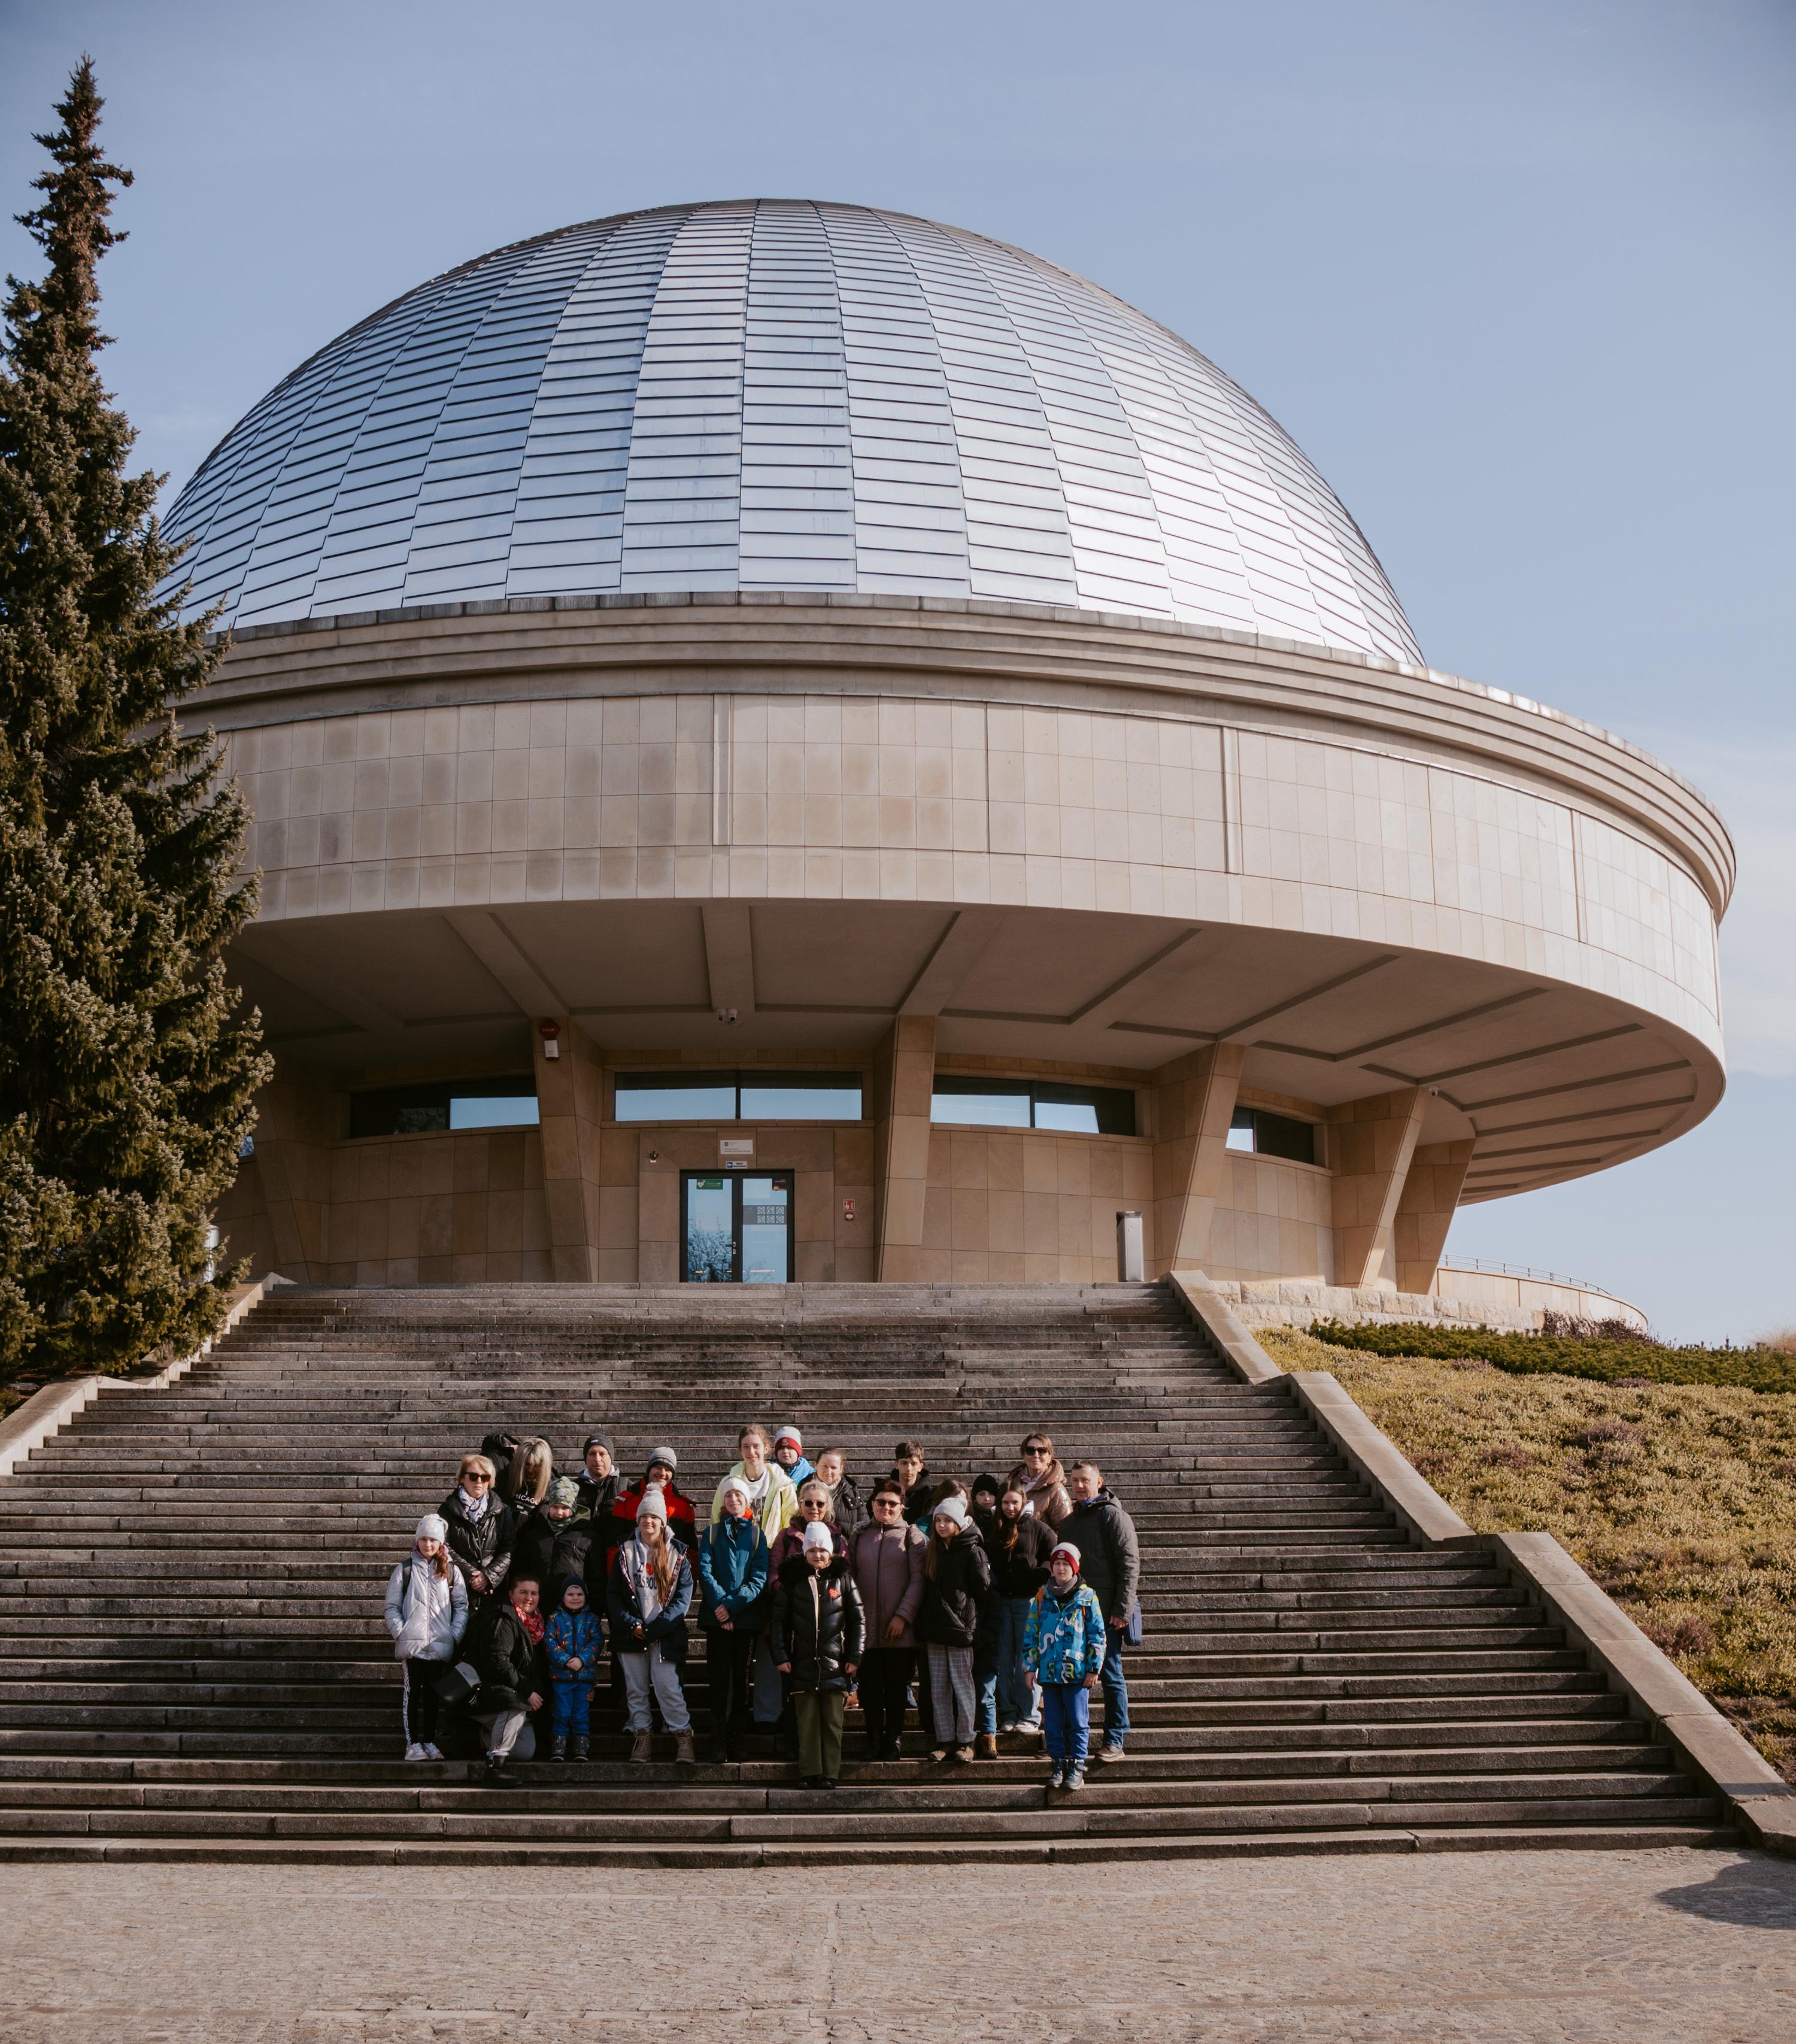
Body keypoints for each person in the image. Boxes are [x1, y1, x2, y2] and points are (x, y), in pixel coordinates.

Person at [606, 1487, 696, 1764]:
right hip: (631, 1632)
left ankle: (683, 1739)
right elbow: (613, 1594)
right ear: (637, 1520)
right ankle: (643, 1738)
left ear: (662, 1522)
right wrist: (631, 1623)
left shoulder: (677, 1555)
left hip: (664, 1635)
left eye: (654, 1517)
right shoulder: (625, 1550)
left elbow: (682, 1600)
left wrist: (656, 1628)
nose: (648, 1521)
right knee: (635, 1690)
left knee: (667, 1687)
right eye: (644, 1516)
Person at [773, 1520, 865, 1790]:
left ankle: (830, 1773)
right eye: (812, 1550)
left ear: (831, 1552)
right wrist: (781, 1655)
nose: (818, 1555)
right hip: (801, 1663)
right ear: (804, 1552)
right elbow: (779, 1622)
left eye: (822, 1550)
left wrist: (855, 1656)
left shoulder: (843, 1580)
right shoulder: (792, 1581)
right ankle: (809, 1771)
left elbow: (858, 1621)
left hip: (835, 1663)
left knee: (833, 1723)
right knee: (807, 1722)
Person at [1061, 1460, 1140, 1763]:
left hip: (1106, 1613)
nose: (1079, 1486)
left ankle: (1115, 1739)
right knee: (1072, 1675)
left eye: (1085, 1480)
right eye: (1075, 1481)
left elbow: (1129, 1565)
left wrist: (1123, 1608)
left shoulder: (1113, 1516)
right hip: (1074, 1612)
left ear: (1099, 1482)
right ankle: (1072, 1738)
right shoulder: (1069, 1523)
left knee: (1110, 1675)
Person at [848, 1478, 924, 1761]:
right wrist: (856, 1618)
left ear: (902, 1507)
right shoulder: (860, 1534)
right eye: (881, 1502)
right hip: (866, 1629)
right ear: (872, 1504)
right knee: (869, 1689)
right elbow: (851, 1577)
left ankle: (894, 1738)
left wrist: (903, 1616)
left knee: (895, 1689)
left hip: (899, 1630)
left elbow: (918, 1581)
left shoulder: (911, 1536)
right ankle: (874, 1738)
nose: (887, 1508)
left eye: (893, 1503)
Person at [697, 1475, 771, 1762]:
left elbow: (759, 1576)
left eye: (739, 1496)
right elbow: (705, 1571)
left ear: (747, 1501)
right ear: (723, 1502)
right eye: (729, 1496)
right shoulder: (711, 1533)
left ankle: (738, 1737)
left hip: (744, 1619)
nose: (734, 1500)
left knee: (742, 1681)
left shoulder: (756, 1535)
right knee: (718, 1680)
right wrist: (721, 1606)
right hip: (718, 1619)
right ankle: (717, 1739)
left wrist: (732, 1607)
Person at [383, 1512, 468, 1760]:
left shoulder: (452, 1571)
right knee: (413, 1694)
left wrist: (454, 1635)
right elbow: (392, 1606)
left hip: (441, 1645)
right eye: (423, 1539)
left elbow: (461, 1605)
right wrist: (401, 1632)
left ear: (441, 1543)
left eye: (433, 1540)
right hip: (413, 1645)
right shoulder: (405, 1569)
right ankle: (413, 1744)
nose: (428, 1545)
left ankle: (429, 1741)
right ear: (417, 1540)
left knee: (433, 1696)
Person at [1023, 1540, 1106, 1791]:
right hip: (1049, 1672)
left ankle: (1078, 1765)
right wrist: (1030, 1666)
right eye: (1056, 1564)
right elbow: (1031, 1632)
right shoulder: (1042, 1596)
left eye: (1065, 1564)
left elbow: (1097, 1634)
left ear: (1074, 1567)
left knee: (1079, 1721)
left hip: (1077, 1673)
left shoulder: (1087, 1597)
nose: (1060, 1569)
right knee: (1053, 1723)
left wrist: (1094, 1667)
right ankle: (1058, 1764)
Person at [915, 1496, 990, 1764]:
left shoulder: (973, 1551)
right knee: (938, 1688)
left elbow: (984, 1594)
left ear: (959, 1522)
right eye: (938, 1520)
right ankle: (945, 1740)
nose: (942, 1525)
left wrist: (974, 1628)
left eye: (947, 1520)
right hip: (936, 1630)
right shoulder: (933, 1550)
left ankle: (966, 1741)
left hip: (961, 1632)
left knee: (962, 1687)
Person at [984, 1479, 1054, 1737]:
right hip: (1001, 1601)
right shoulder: (994, 1529)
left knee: (1027, 1658)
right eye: (1006, 1502)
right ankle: (1009, 1713)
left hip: (1028, 1602)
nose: (1011, 1507)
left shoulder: (1038, 1528)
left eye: (1015, 1502)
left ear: (1023, 1501)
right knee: (1004, 1658)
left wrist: (1038, 1576)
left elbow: (1052, 1556)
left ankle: (1030, 1714)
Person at [463, 1573, 548, 1781]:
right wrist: (528, 1691)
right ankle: (495, 1767)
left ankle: (475, 1737)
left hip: (509, 1694)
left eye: (534, 1593)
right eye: (523, 1592)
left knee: (524, 1750)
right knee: (516, 1706)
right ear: (511, 1595)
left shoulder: (535, 1624)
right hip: (486, 1694)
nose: (529, 1598)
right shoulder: (504, 1620)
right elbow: (498, 1663)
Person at [609, 1445, 699, 1576]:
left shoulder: (684, 1508)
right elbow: (613, 1548)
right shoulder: (626, 1502)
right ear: (649, 1469)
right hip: (633, 1578)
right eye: (658, 1467)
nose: (662, 1473)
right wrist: (616, 1583)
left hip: (670, 1580)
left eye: (668, 1469)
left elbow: (692, 1553)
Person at [439, 1453, 515, 1600]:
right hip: (458, 1588)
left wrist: (488, 1576)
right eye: (473, 1476)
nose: (479, 1481)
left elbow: (509, 1547)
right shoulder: (447, 1509)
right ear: (462, 1478)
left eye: (485, 1477)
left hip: (493, 1590)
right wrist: (471, 1576)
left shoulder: (502, 1511)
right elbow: (443, 1544)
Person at [543, 1574, 602, 1762]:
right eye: (571, 1594)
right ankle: (559, 1747)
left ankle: (581, 1748)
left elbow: (597, 1642)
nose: (575, 1598)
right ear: (563, 1597)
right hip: (562, 1677)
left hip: (584, 1678)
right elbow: (550, 1642)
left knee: (581, 1713)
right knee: (561, 1712)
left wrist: (582, 1660)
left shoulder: (592, 1619)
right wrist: (566, 1659)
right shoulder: (555, 1617)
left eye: (579, 1594)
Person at [711, 1424, 798, 1543]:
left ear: (766, 1449)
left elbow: (791, 1524)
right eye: (746, 1447)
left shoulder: (783, 1484)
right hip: (735, 1551)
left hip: (770, 1553)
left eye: (756, 1446)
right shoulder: (728, 1483)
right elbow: (716, 1520)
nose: (751, 1452)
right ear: (740, 1450)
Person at [514, 1475, 590, 1602]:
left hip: (574, 1610)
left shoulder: (586, 1537)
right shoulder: (534, 1535)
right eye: (555, 1507)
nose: (559, 1513)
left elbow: (596, 1580)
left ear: (574, 1508)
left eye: (565, 1508)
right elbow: (522, 1572)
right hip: (539, 1606)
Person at [1008, 1433, 1072, 1530]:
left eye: (1042, 1451)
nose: (1036, 1455)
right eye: (1030, 1450)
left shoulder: (1056, 1490)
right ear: (1023, 1455)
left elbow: (1065, 1530)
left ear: (1050, 1457)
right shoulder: (1012, 1484)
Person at [573, 1431, 619, 1525]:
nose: (597, 1459)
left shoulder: (626, 1487)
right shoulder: (572, 1488)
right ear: (585, 1459)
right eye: (592, 1454)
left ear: (611, 1458)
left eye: (602, 1454)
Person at [814, 1449, 860, 1536]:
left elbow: (863, 1522)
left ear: (841, 1469)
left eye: (834, 1468)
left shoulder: (851, 1490)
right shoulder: (804, 1489)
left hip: (844, 1546)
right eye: (824, 1466)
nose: (829, 1472)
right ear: (816, 1465)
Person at [770, 1423, 814, 1488]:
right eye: (781, 1448)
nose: (785, 1451)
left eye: (790, 1448)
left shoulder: (810, 1474)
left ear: (798, 1451)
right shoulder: (767, 1471)